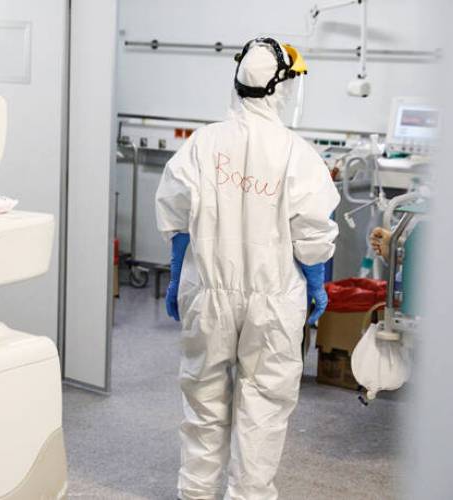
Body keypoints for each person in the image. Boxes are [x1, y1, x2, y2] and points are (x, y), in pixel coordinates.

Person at [155, 37, 340, 500]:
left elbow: (177, 216)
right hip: (273, 299)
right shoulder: (297, 152)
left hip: (208, 293)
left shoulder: (202, 143)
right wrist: (316, 284)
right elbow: (313, 233)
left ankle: (196, 493)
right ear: (281, 88)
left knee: (203, 400)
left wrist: (177, 276)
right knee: (264, 405)